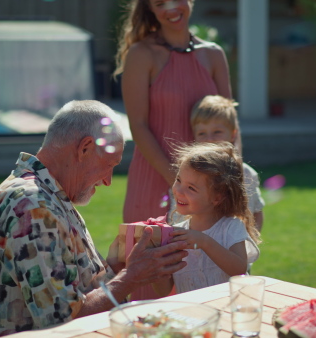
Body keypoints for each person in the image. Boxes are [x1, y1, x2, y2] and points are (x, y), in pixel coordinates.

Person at [0, 100, 189, 337]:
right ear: (85, 148)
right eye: (109, 165)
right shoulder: (33, 206)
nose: (108, 180)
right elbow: (62, 323)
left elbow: (75, 294)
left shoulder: (45, 194)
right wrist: (130, 278)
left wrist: (117, 267)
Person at [115, 0, 232, 224]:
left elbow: (229, 121)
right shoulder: (141, 54)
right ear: (150, 8)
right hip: (153, 177)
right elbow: (138, 125)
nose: (170, 8)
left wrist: (233, 173)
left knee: (206, 255)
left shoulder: (213, 54)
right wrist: (179, 181)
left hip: (207, 184)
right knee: (144, 255)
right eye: (160, 3)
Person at [153, 142, 261, 295]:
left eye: (191, 188)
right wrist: (158, 266)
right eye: (178, 180)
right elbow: (164, 292)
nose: (179, 190)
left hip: (227, 310)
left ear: (217, 197)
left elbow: (239, 270)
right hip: (193, 313)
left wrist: (204, 241)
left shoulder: (231, 226)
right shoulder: (176, 234)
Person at [167, 95, 265, 232]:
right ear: (194, 136)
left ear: (233, 134)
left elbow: (256, 211)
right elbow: (178, 215)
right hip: (193, 247)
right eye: (202, 133)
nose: (209, 139)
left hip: (232, 247)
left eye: (217, 132)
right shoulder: (188, 175)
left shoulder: (246, 173)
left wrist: (250, 245)